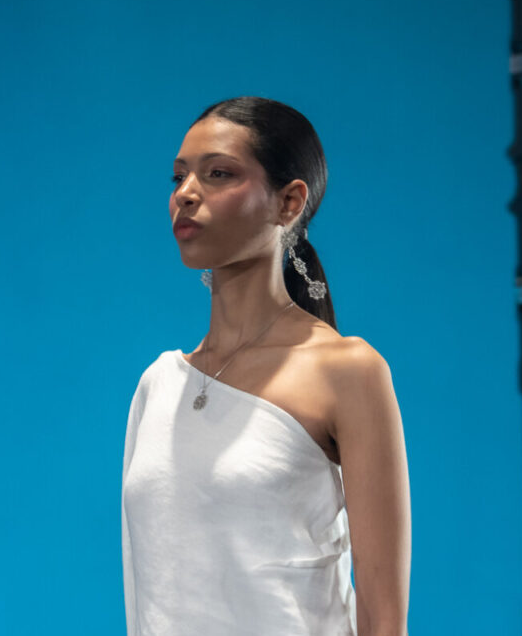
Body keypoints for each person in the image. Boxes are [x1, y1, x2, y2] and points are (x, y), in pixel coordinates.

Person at [121, 96, 411, 636]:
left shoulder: (347, 371)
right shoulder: (158, 385)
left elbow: (385, 621)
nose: (185, 194)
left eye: (218, 174)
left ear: (289, 202)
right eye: (179, 176)